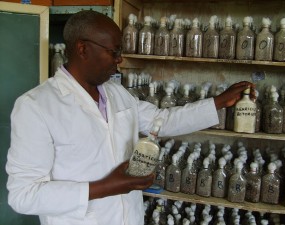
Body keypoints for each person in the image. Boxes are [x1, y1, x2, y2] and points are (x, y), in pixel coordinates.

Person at [6, 10, 255, 225]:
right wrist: (106, 187)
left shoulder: (115, 92)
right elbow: (24, 196)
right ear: (83, 49)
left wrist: (220, 102)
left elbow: (162, 119)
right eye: (114, 52)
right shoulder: (36, 106)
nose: (120, 60)